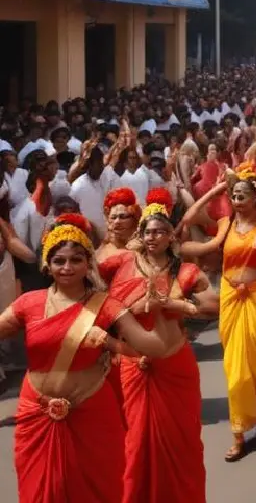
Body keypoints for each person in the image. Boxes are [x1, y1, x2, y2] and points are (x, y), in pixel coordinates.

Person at [0, 214, 173, 502]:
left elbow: (152, 348)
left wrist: (157, 310)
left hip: (91, 409)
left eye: (76, 260)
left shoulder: (106, 306)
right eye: (59, 260)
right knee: (43, 491)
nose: (67, 267)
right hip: (36, 413)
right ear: (47, 264)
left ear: (88, 263)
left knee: (97, 490)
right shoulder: (28, 304)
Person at [179, 164, 256, 461]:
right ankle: (238, 432)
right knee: (235, 369)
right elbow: (189, 217)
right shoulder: (225, 223)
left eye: (241, 195)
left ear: (254, 198)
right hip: (230, 297)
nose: (236, 200)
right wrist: (218, 189)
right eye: (233, 195)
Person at [99, 190, 218, 503]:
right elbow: (85, 281)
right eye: (147, 231)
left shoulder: (185, 272)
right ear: (140, 235)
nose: (152, 237)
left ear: (170, 237)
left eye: (160, 231)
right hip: (131, 366)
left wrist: (174, 304)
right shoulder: (119, 265)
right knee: (135, 443)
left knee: (180, 443)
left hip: (174, 369)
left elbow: (212, 305)